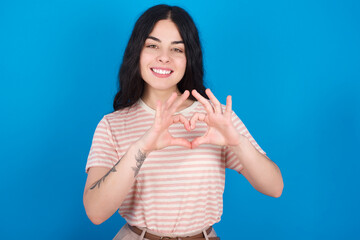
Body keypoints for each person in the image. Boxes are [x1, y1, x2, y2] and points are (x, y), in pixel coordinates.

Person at [83, 4, 283, 240]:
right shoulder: (113, 125)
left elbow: (275, 188)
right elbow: (95, 212)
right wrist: (142, 146)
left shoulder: (215, 117)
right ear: (136, 51)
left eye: (177, 50)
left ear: (190, 58)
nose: (164, 57)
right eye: (152, 45)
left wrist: (237, 142)